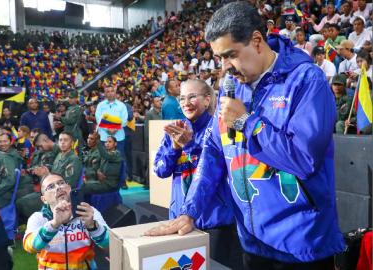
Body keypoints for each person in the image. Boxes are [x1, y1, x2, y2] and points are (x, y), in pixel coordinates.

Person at [146, 2, 345, 269]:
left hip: (301, 245)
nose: (225, 67)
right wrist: (190, 211)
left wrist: (245, 121)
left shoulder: (307, 81)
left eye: (230, 55)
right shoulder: (233, 90)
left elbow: (304, 160)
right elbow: (212, 157)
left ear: (257, 40)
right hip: (251, 243)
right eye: (219, 58)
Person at [153, 79, 241, 269]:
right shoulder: (176, 128)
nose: (186, 102)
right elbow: (159, 170)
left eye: (192, 96)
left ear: (207, 100)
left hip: (215, 222)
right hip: (180, 221)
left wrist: (189, 146)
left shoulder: (219, 129)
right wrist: (174, 149)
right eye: (182, 98)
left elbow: (220, 168)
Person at [23, 173, 109, 269]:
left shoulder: (88, 212)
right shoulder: (38, 218)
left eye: (61, 183)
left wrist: (92, 226)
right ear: (44, 199)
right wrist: (54, 224)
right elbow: (30, 247)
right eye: (50, 187)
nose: (58, 187)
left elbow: (108, 245)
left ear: (69, 188)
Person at [95, 86, 128, 156]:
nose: (110, 93)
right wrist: (107, 129)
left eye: (112, 91)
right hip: (104, 138)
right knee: (104, 160)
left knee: (119, 160)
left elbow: (124, 120)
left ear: (115, 92)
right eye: (108, 92)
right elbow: (99, 119)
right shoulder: (100, 106)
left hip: (119, 138)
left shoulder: (122, 106)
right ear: (105, 94)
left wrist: (115, 129)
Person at [53, 91, 83, 157]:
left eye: (72, 98)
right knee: (68, 153)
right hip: (69, 133)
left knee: (75, 154)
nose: (70, 99)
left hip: (75, 133)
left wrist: (60, 118)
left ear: (76, 99)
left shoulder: (77, 109)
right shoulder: (70, 108)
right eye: (69, 98)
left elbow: (71, 120)